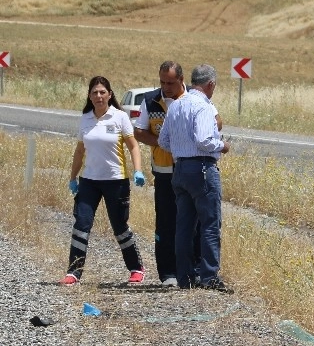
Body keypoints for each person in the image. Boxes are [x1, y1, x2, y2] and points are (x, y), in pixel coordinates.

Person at [61, 76, 147, 286]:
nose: (98, 96)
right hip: (89, 181)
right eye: (94, 93)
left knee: (119, 226)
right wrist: (73, 178)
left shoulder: (119, 117)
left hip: (115, 181)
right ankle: (74, 272)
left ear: (109, 94)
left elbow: (133, 146)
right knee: (81, 224)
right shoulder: (85, 119)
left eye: (102, 92)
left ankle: (136, 268)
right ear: (89, 96)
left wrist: (138, 171)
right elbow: (80, 151)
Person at [157, 63, 231, 292]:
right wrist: (223, 145)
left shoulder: (176, 106)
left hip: (179, 169)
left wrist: (181, 148)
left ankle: (184, 277)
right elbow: (204, 140)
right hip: (202, 168)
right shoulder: (204, 106)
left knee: (184, 226)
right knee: (209, 224)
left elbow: (163, 141)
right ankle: (209, 276)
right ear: (210, 84)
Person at [133, 61, 192, 289]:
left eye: (171, 82)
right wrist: (162, 143)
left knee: (189, 223)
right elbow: (139, 131)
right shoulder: (150, 100)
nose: (166, 87)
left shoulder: (193, 100)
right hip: (164, 172)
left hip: (188, 170)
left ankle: (189, 271)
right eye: (162, 82)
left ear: (181, 79)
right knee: (165, 223)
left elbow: (216, 121)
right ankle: (167, 272)